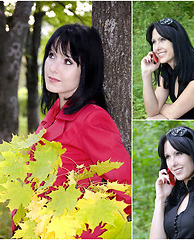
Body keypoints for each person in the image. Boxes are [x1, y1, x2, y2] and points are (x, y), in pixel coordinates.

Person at [34, 23, 131, 237]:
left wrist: (90, 231)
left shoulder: (92, 119)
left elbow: (126, 187)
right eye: (51, 55)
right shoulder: (52, 116)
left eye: (67, 61)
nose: (53, 68)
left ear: (86, 69)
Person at [141, 18, 194, 119]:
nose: (157, 48)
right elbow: (152, 111)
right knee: (151, 119)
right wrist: (146, 74)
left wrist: (162, 107)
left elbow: (172, 114)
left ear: (177, 40)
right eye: (154, 42)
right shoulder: (167, 70)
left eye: (162, 40)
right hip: (182, 119)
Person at [150, 126, 194, 239]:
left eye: (179, 153)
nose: (172, 163)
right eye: (168, 157)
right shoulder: (174, 197)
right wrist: (160, 199)